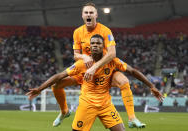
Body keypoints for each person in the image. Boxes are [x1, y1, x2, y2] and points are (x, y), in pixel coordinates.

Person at [51, 2, 161, 128]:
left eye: (91, 12)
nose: (88, 14)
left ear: (96, 15)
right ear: (82, 15)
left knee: (124, 81)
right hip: (85, 71)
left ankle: (132, 118)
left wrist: (94, 67)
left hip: (104, 70)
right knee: (56, 86)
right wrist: (84, 56)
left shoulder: (105, 30)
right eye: (86, 12)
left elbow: (112, 53)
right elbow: (76, 55)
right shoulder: (77, 32)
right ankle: (64, 111)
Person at [26, 34, 164, 131]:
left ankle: (132, 117)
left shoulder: (112, 61)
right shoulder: (82, 64)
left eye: (98, 43)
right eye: (93, 43)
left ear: (103, 46)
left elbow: (133, 71)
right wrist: (40, 89)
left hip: (106, 105)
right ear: (90, 47)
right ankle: (64, 111)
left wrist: (151, 86)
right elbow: (59, 75)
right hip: (87, 105)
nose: (95, 45)